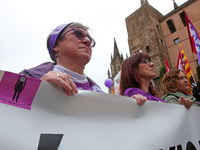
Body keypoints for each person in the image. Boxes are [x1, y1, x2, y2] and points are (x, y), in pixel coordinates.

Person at [20, 22, 102, 96]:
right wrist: (36, 89)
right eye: (78, 34)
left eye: (90, 39)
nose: (87, 41)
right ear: (56, 45)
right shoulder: (26, 78)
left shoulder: (100, 94)